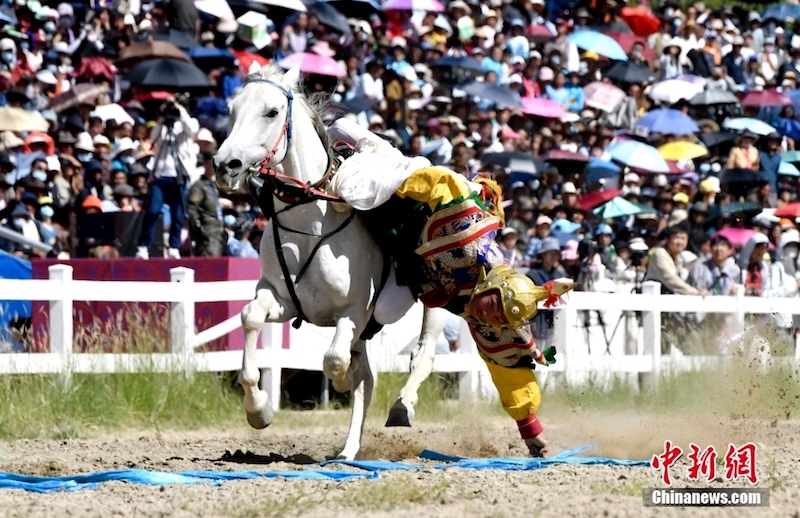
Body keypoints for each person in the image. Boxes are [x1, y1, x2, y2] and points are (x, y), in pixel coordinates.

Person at [330, 140, 576, 457]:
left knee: (386, 312)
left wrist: (529, 429)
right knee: (365, 158)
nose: (489, 317)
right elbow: (444, 184)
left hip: (412, 268)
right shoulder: (469, 238)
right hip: (413, 207)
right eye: (493, 307)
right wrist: (390, 183)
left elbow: (510, 369)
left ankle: (355, 344)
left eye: (498, 319)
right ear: (492, 286)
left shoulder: (497, 321)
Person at [136, 99, 199, 259]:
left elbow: (192, 130)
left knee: (178, 214)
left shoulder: (189, 122)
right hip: (161, 175)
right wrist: (161, 119)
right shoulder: (164, 126)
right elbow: (153, 137)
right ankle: (143, 246)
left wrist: (179, 110)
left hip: (180, 175)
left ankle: (173, 247)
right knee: (152, 210)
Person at [187, 150, 225, 257]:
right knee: (209, 259)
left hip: (217, 229)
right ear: (205, 164)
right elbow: (192, 208)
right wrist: (197, 226)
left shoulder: (212, 186)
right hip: (207, 230)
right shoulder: (199, 186)